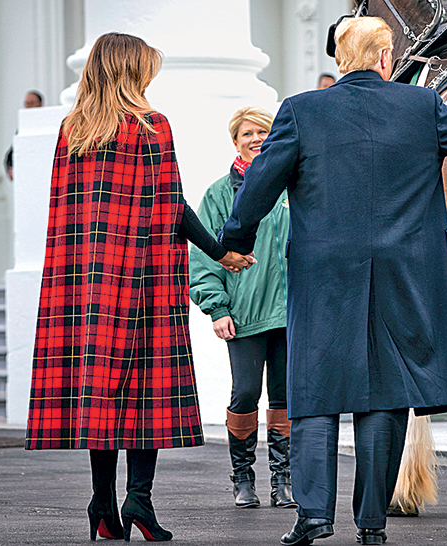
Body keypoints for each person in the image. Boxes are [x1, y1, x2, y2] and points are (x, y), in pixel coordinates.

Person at [218, 16, 447, 546]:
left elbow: (258, 188)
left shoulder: (301, 111)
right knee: (384, 395)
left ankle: (313, 516)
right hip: (406, 274)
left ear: (341, 60)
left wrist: (236, 241)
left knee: (313, 392)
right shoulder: (420, 106)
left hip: (325, 276)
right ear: (386, 59)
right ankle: (371, 524)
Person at [24, 32, 253, 543]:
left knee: (102, 391)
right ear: (131, 70)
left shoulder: (71, 131)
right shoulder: (152, 128)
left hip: (86, 285)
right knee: (147, 390)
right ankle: (139, 501)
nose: (152, 76)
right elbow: (174, 207)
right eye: (147, 67)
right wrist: (221, 252)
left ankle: (101, 502)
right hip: (144, 280)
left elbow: (68, 216)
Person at [189, 106, 296, 510]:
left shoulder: (290, 186)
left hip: (289, 313)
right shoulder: (219, 193)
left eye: (263, 132)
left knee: (285, 396)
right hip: (244, 315)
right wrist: (216, 308)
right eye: (247, 133)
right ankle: (243, 477)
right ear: (235, 141)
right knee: (246, 393)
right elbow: (202, 256)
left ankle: (282, 481)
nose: (256, 139)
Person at [4, 90, 45, 181]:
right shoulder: (22, 128)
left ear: (40, 105)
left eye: (31, 103)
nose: (28, 107)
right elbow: (12, 151)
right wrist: (10, 168)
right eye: (26, 104)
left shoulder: (46, 123)